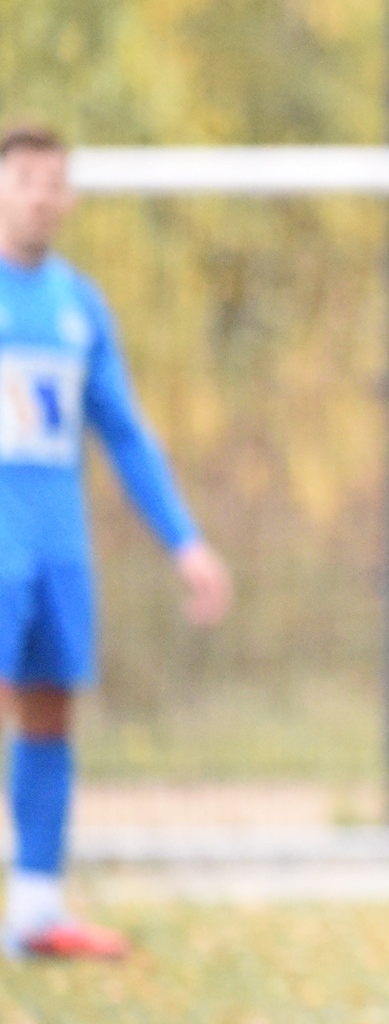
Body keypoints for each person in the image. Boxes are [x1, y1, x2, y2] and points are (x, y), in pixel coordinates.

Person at [0, 124, 230, 960]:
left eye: (52, 180)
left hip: (59, 544)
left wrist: (186, 541)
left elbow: (124, 433)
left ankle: (33, 910)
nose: (38, 192)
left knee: (50, 709)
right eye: (23, 176)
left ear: (71, 198)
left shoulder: (78, 304)